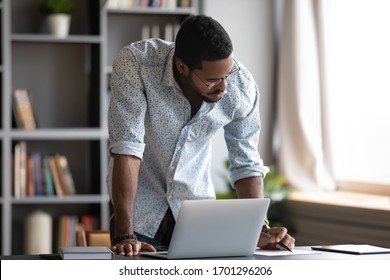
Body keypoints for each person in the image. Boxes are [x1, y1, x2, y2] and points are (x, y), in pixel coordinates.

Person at [107, 14, 295, 256]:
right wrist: (125, 233)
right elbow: (127, 148)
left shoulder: (240, 86)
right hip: (137, 217)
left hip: (197, 217)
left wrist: (259, 228)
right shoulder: (138, 64)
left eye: (227, 74)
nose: (224, 87)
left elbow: (246, 163)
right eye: (213, 79)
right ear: (182, 67)